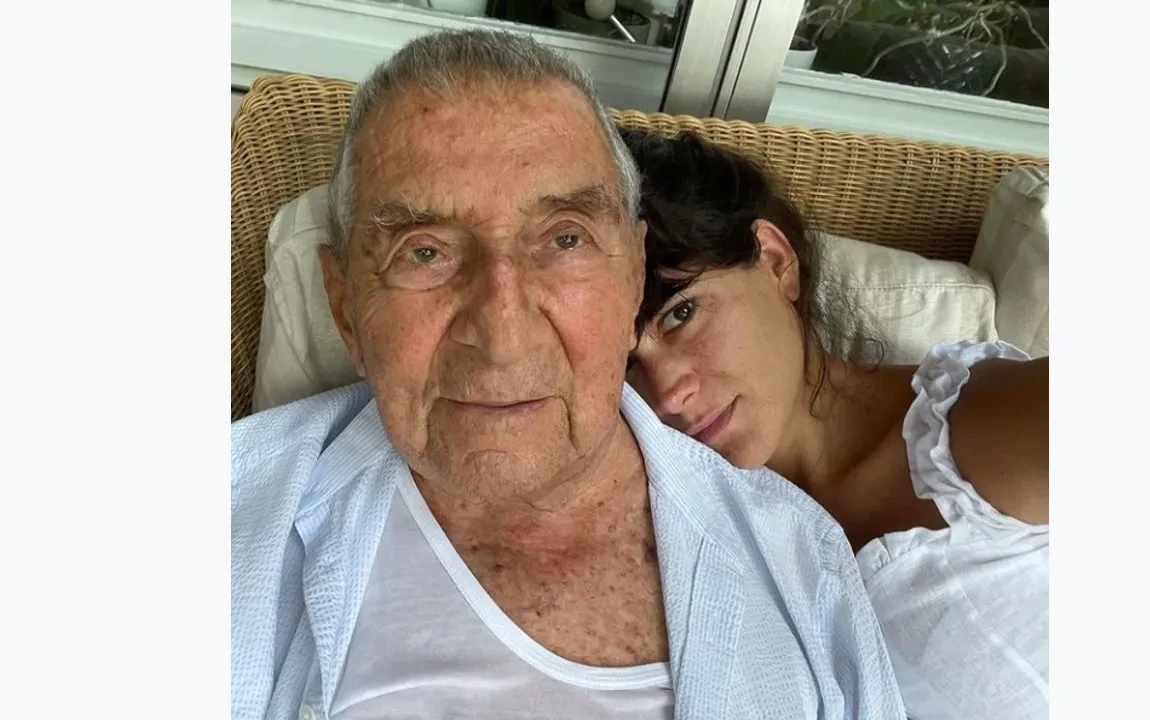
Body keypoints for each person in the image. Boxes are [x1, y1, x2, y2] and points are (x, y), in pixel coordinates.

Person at [230, 30, 907, 720]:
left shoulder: (803, 562)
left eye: (564, 239)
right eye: (424, 252)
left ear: (633, 277)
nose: (503, 338)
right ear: (346, 307)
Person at [621, 129, 1049, 720]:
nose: (668, 393)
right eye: (625, 366)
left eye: (681, 313)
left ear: (775, 262)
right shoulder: (679, 525)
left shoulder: (980, 425)